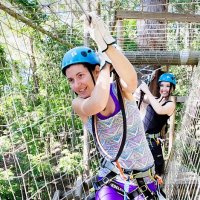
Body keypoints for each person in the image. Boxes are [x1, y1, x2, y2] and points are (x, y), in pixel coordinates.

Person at [61, 12, 162, 200]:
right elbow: (97, 103)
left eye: (80, 76)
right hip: (113, 182)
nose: (76, 85)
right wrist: (107, 65)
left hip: (146, 181)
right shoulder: (79, 104)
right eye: (71, 80)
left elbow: (131, 80)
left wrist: (107, 45)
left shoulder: (120, 91)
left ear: (95, 72)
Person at [138, 73, 176, 176]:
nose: (164, 89)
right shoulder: (154, 99)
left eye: (168, 86)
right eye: (162, 85)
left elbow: (159, 110)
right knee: (141, 171)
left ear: (172, 88)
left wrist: (147, 91)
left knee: (155, 173)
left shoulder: (170, 104)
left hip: (152, 143)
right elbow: (138, 96)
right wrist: (147, 81)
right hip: (142, 140)